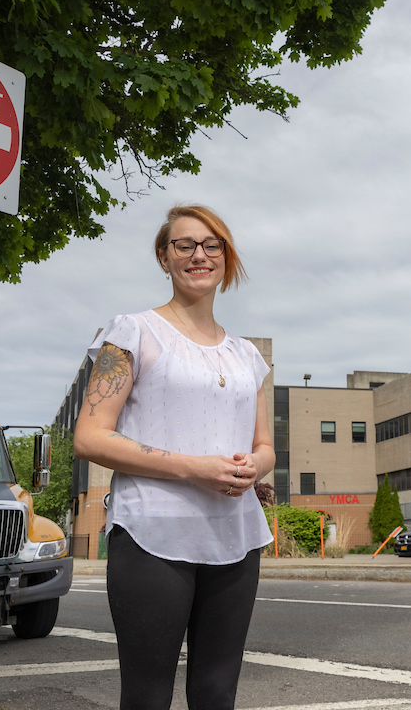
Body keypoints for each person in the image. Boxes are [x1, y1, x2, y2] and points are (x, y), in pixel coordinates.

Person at [74, 205, 274, 710]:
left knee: (216, 692)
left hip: (236, 538)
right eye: (184, 245)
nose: (198, 255)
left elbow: (265, 446)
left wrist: (256, 467)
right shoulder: (132, 333)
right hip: (152, 534)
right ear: (164, 258)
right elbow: (91, 438)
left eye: (212, 245)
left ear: (226, 259)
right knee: (147, 694)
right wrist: (194, 467)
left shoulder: (249, 356)